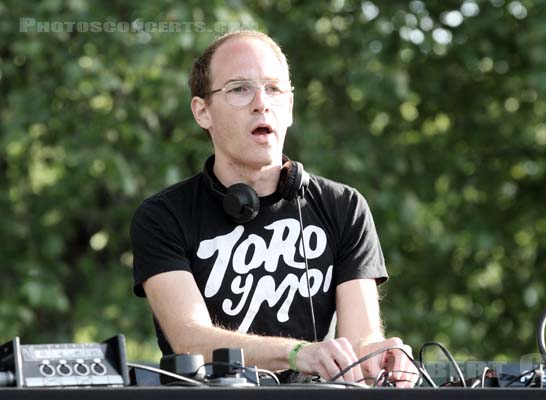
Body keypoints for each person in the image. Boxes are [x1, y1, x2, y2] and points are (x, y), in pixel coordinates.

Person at [130, 30, 419, 387]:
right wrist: (298, 352)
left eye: (274, 88)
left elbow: (360, 342)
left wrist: (381, 354)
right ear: (202, 111)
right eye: (239, 89)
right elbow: (191, 340)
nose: (261, 103)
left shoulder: (344, 207)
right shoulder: (163, 216)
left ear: (290, 107)